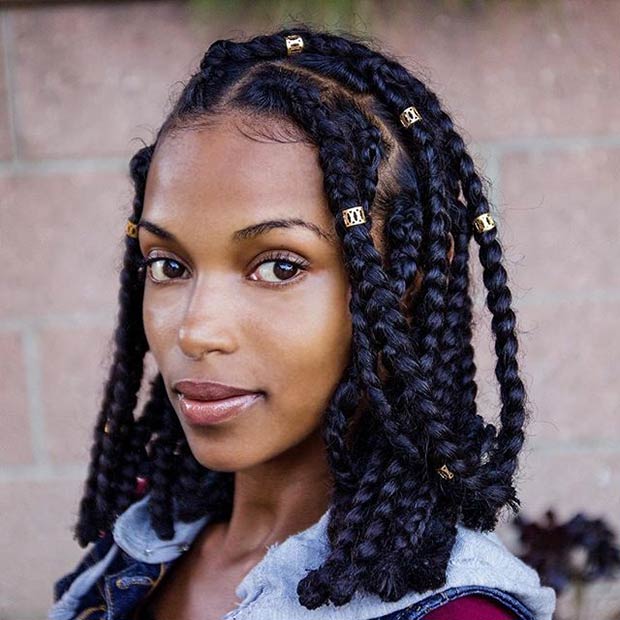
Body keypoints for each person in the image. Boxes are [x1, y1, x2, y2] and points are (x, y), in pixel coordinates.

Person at [49, 25, 557, 620]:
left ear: (406, 286)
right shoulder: (140, 543)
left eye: (279, 266)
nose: (194, 331)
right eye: (169, 264)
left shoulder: (456, 614)